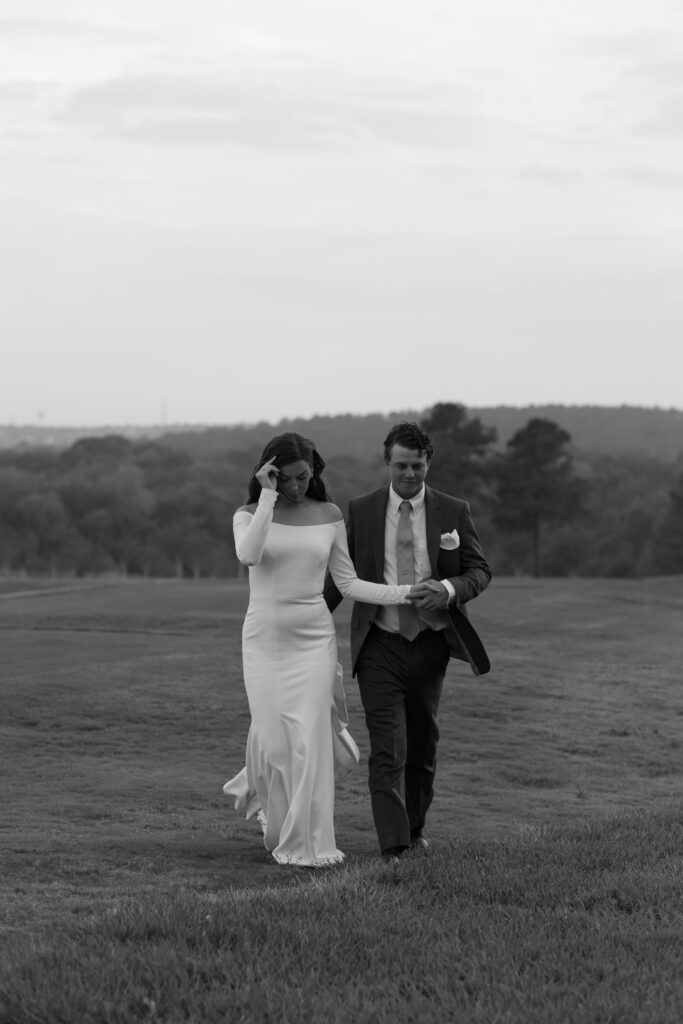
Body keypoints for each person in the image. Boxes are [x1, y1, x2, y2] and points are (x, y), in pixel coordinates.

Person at [223, 432, 424, 868]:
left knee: (309, 739)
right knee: (273, 738)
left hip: (314, 637)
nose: (297, 486)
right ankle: (269, 808)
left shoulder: (330, 514)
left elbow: (347, 583)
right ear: (270, 474)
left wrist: (406, 593)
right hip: (264, 639)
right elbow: (250, 556)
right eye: (287, 478)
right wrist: (268, 499)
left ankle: (309, 843)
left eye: (304, 477)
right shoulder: (249, 514)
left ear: (314, 473)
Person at [323, 421, 491, 864]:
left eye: (417, 466)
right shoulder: (359, 511)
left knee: (422, 745)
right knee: (388, 746)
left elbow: (479, 571)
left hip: (432, 644)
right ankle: (394, 845)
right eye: (401, 466)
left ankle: (414, 831)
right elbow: (340, 581)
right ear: (387, 463)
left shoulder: (453, 511)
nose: (410, 475)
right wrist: (303, 620)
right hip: (379, 643)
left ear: (428, 463)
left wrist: (450, 589)